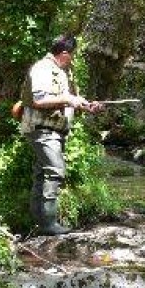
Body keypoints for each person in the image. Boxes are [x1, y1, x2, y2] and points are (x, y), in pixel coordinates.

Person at [20, 34, 102, 235]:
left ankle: (39, 222)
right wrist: (68, 99)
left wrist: (85, 105)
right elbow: (39, 101)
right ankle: (48, 223)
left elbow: (65, 99)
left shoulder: (60, 71)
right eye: (72, 55)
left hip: (53, 129)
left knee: (42, 173)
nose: (72, 58)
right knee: (55, 171)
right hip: (42, 129)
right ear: (64, 53)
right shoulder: (42, 69)